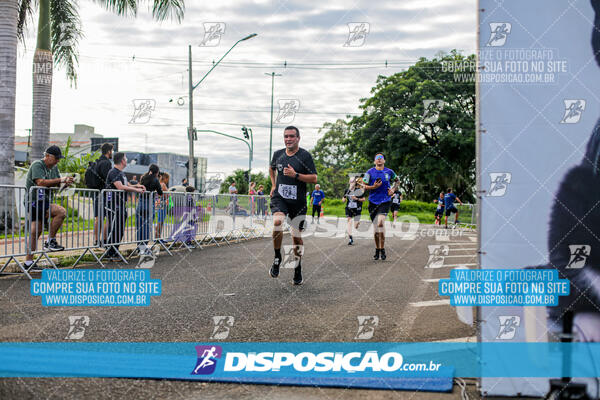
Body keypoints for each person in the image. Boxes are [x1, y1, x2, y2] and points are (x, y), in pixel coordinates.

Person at [269, 126, 317, 285]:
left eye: (291, 136)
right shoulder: (278, 154)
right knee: (277, 222)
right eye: (285, 136)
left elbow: (314, 178)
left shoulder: (304, 156)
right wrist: (273, 185)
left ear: (298, 138)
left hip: (298, 202)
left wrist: (295, 175)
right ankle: (277, 257)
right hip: (280, 198)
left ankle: (297, 267)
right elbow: (271, 168)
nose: (288, 139)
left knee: (296, 236)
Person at [24, 146, 75, 269]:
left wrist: (64, 184)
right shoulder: (38, 164)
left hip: (45, 201)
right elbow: (40, 182)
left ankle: (28, 262)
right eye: (56, 158)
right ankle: (50, 241)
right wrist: (61, 179)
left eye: (59, 158)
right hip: (34, 201)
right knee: (61, 212)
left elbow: (56, 185)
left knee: (36, 230)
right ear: (47, 156)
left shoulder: (54, 168)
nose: (58, 161)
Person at [104, 152, 144, 260]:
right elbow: (120, 187)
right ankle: (110, 252)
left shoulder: (121, 173)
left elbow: (126, 185)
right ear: (122, 161)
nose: (126, 161)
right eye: (126, 159)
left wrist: (137, 185)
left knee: (120, 229)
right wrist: (136, 190)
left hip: (121, 204)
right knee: (115, 228)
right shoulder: (113, 172)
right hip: (113, 205)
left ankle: (115, 250)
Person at [362, 153, 398, 261]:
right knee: (376, 228)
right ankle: (378, 249)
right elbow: (363, 185)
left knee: (380, 223)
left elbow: (397, 181)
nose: (379, 160)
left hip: (385, 201)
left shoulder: (389, 172)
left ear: (384, 161)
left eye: (380, 158)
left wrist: (393, 190)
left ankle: (383, 249)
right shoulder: (369, 172)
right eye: (377, 159)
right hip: (373, 202)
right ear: (374, 162)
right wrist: (373, 186)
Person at [136, 164, 162, 255]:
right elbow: (160, 192)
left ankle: (139, 247)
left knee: (139, 226)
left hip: (140, 203)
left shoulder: (143, 177)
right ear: (157, 172)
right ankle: (144, 248)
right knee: (147, 226)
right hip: (149, 204)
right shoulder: (155, 180)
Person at [92, 143, 113, 246]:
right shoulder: (106, 163)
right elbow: (108, 179)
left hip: (97, 193)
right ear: (109, 151)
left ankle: (96, 241)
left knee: (98, 217)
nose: (112, 153)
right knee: (107, 217)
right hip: (104, 194)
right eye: (111, 151)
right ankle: (104, 240)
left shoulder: (97, 162)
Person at [342, 177, 365, 245]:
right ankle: (350, 238)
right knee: (349, 222)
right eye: (351, 182)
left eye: (353, 182)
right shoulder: (347, 190)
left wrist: (356, 198)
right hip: (349, 208)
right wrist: (343, 199)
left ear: (355, 183)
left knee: (355, 226)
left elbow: (363, 199)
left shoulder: (358, 190)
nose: (352, 183)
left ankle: (358, 222)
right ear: (349, 182)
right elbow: (343, 199)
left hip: (357, 209)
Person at [155, 172, 170, 242]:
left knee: (159, 220)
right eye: (168, 179)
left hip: (158, 203)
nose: (168, 181)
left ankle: (157, 236)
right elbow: (167, 195)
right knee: (160, 221)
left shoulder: (158, 183)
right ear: (165, 178)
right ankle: (157, 237)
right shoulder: (163, 184)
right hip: (162, 203)